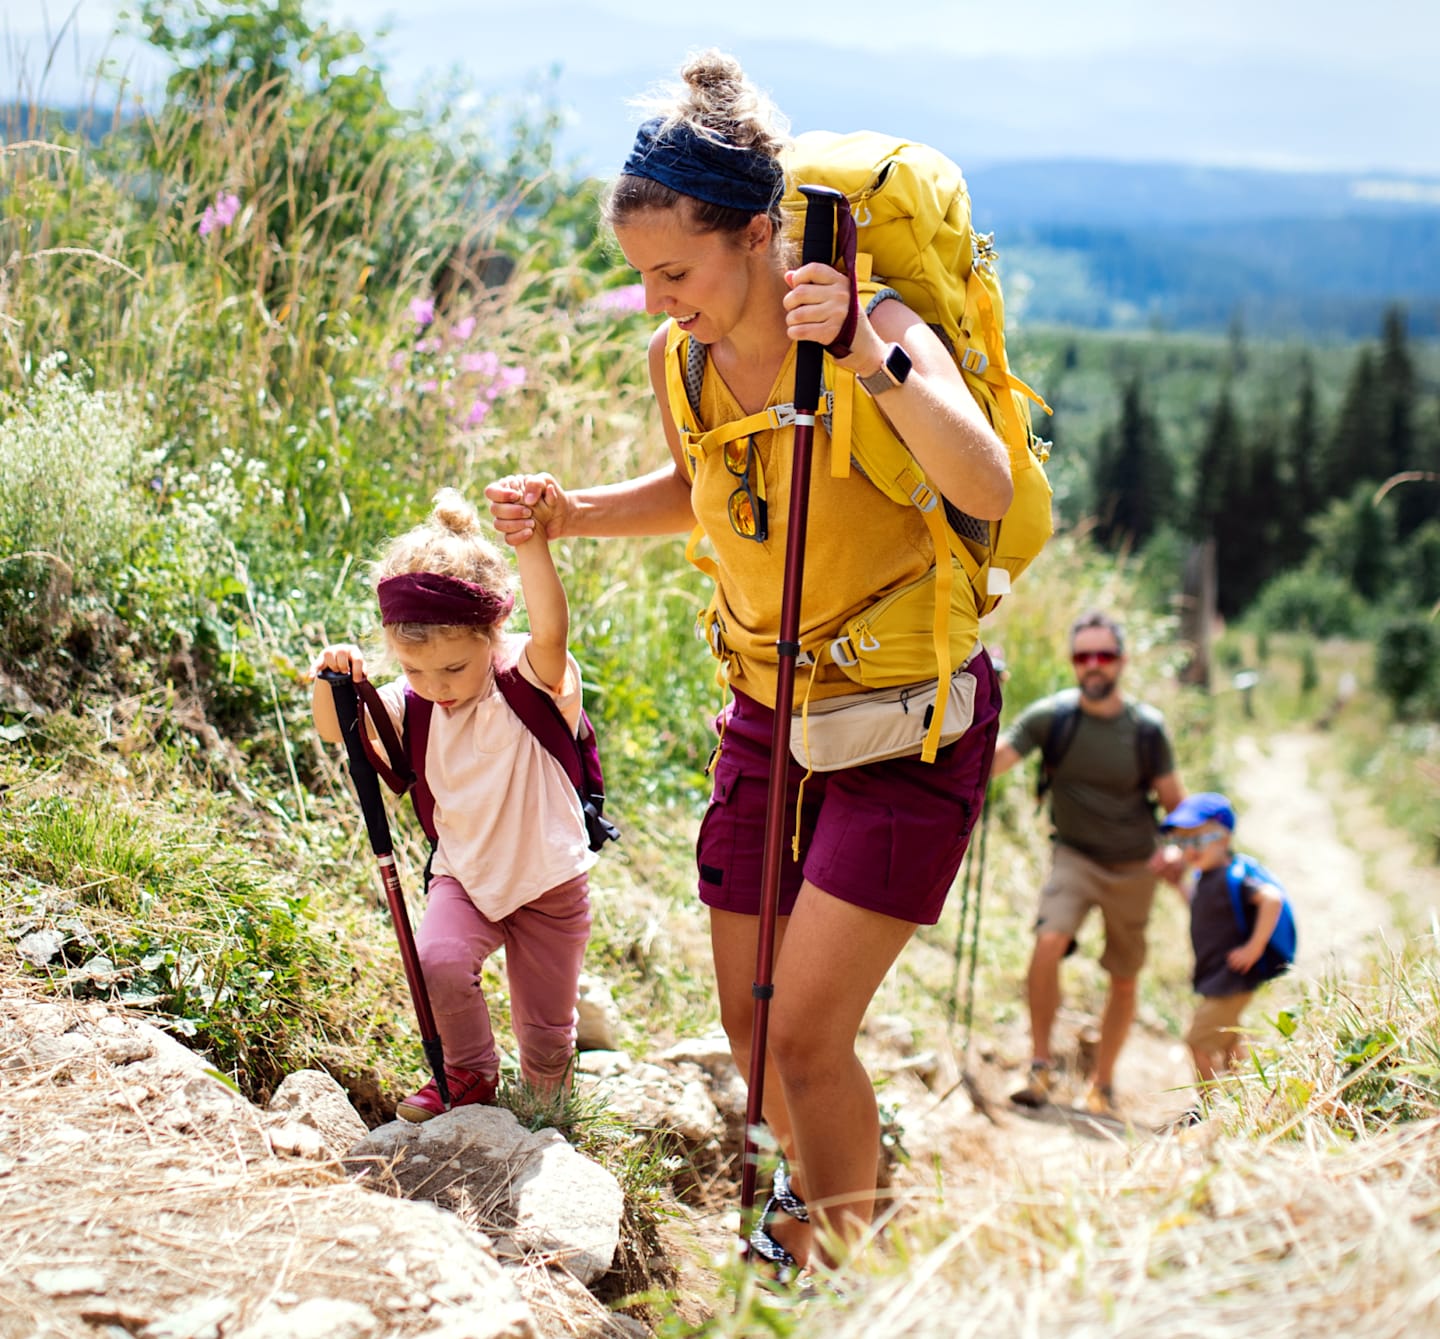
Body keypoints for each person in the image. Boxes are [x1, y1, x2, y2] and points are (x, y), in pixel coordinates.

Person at [487, 51, 1011, 1271]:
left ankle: (845, 1274)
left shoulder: (875, 325)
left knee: (812, 1034)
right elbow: (704, 486)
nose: (660, 298)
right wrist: (573, 512)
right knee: (751, 1021)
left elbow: (980, 478)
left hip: (905, 723)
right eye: (643, 277)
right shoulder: (684, 357)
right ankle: (811, 1225)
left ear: (761, 235)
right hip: (768, 711)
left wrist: (874, 363)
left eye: (676, 271)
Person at [311, 487, 596, 1120]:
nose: (437, 687)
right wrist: (329, 678)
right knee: (437, 960)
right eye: (416, 670)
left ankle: (550, 1107)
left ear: (494, 637)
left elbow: (552, 628)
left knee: (547, 1032)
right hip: (465, 872)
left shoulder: (526, 678)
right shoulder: (411, 704)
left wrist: (531, 542)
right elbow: (337, 731)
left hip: (548, 880)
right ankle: (469, 1074)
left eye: (454, 669)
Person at [988, 610, 1185, 1115]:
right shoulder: (1052, 717)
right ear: (1073, 663)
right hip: (1074, 856)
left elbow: (1176, 807)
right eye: (1083, 656)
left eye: (1104, 655)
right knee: (1048, 939)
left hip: (1135, 867)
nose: (1094, 666)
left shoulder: (1146, 729)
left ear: (1121, 661)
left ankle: (1103, 1084)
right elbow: (994, 761)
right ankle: (1039, 1067)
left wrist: (1180, 849)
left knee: (1124, 975)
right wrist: (983, 700)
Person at [1163, 792, 1286, 1086]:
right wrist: (1177, 885)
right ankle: (1247, 1094)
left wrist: (1253, 948)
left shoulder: (1234, 876)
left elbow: (1272, 899)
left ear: (1224, 838)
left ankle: (1210, 1107)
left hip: (1233, 977)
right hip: (1218, 976)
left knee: (1198, 1041)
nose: (1189, 850)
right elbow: (1199, 908)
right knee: (1230, 1039)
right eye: (1182, 842)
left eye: (1198, 840)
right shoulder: (1206, 878)